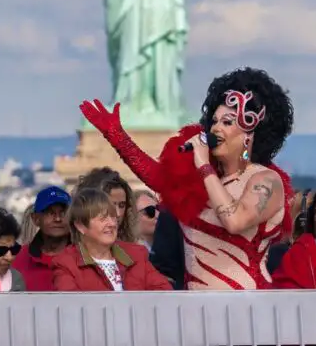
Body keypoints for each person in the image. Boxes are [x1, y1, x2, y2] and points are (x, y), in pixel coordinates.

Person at [81, 67, 295, 289]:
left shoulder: (266, 181)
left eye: (227, 122)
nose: (215, 128)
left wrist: (202, 165)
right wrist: (116, 135)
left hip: (245, 308)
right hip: (195, 310)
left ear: (249, 135)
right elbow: (158, 179)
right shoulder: (203, 178)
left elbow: (235, 221)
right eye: (214, 121)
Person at [52, 188, 171, 292]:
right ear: (80, 226)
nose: (111, 223)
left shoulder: (136, 254)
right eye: (103, 218)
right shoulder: (66, 264)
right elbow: (71, 308)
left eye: (113, 217)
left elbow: (164, 294)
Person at [12, 186, 72, 291]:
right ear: (36, 219)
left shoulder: (83, 257)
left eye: (63, 213)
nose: (58, 219)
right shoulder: (18, 259)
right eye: (50, 213)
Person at [76, 167, 137, 242]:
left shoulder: (135, 251)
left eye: (122, 205)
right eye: (110, 205)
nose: (118, 214)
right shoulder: (69, 252)